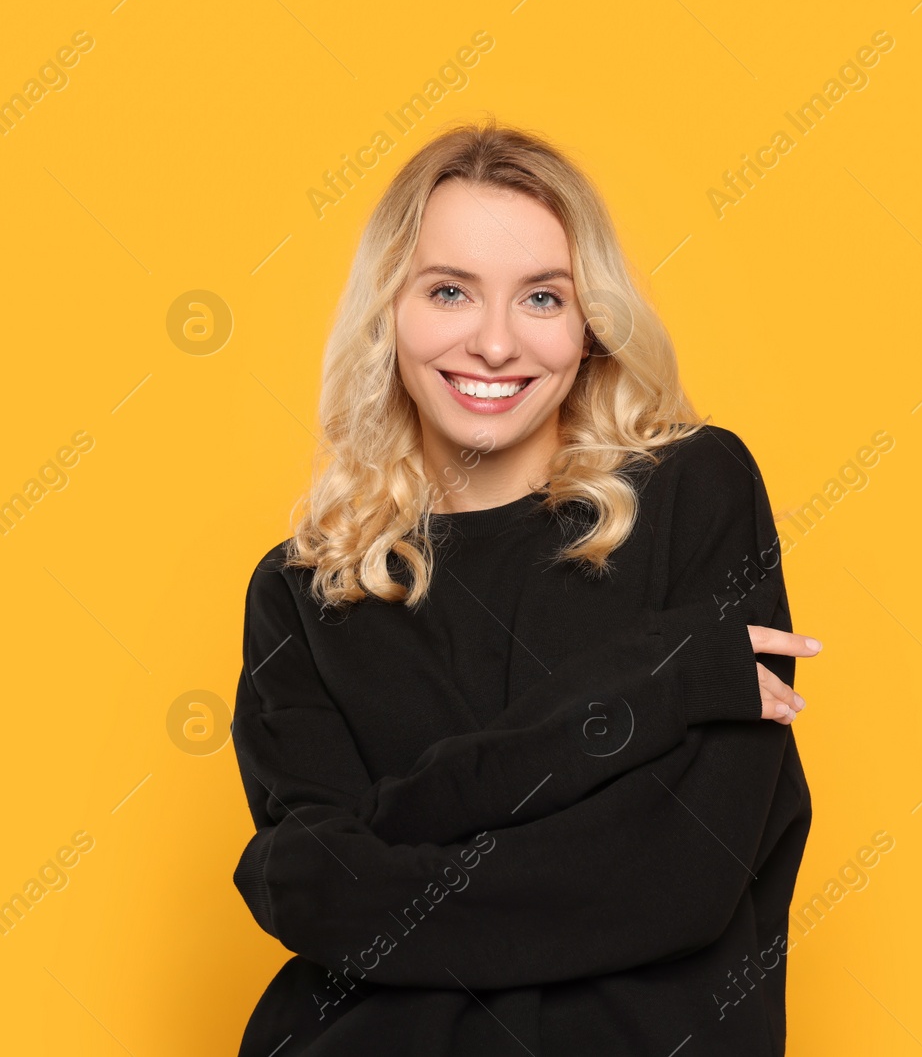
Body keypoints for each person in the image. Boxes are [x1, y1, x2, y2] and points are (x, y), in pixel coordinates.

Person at [227, 118, 819, 1056]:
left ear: (590, 324)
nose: (495, 343)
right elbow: (321, 897)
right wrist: (660, 680)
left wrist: (387, 834)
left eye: (542, 297)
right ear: (389, 312)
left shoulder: (695, 494)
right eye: (451, 290)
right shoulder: (303, 592)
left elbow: (675, 876)